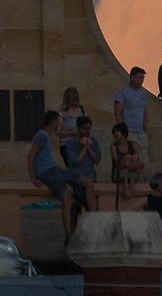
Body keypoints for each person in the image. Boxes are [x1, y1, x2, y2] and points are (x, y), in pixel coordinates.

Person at [27, 111, 97, 242]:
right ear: (53, 121)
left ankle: (93, 219)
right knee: (66, 197)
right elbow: (30, 156)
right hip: (47, 173)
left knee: (87, 181)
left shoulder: (48, 136)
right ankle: (69, 234)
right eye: (59, 121)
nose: (61, 124)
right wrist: (33, 178)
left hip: (54, 170)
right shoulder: (41, 136)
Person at [114, 66, 149, 162]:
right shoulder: (123, 92)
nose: (141, 81)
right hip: (129, 133)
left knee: (143, 162)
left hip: (141, 133)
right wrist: (124, 133)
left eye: (143, 78)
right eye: (139, 78)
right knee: (130, 161)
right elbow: (117, 113)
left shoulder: (143, 93)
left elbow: (145, 112)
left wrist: (145, 131)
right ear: (132, 77)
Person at [110, 122, 145, 199]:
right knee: (127, 159)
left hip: (132, 173)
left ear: (123, 132)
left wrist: (130, 163)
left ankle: (130, 190)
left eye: (116, 132)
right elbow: (116, 162)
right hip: (118, 173)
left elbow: (138, 159)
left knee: (132, 161)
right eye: (114, 133)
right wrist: (126, 163)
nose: (115, 134)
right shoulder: (113, 147)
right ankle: (126, 188)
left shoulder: (133, 144)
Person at [64, 116, 101, 182]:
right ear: (78, 128)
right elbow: (75, 163)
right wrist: (85, 148)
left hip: (90, 176)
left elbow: (97, 161)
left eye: (89, 128)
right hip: (76, 177)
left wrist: (89, 147)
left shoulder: (94, 141)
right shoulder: (70, 143)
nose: (87, 131)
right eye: (84, 128)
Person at [58, 87, 85, 167]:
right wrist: (73, 132)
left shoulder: (82, 111)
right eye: (72, 100)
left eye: (75, 99)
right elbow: (58, 132)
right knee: (72, 167)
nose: (74, 102)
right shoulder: (63, 114)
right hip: (67, 144)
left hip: (80, 144)